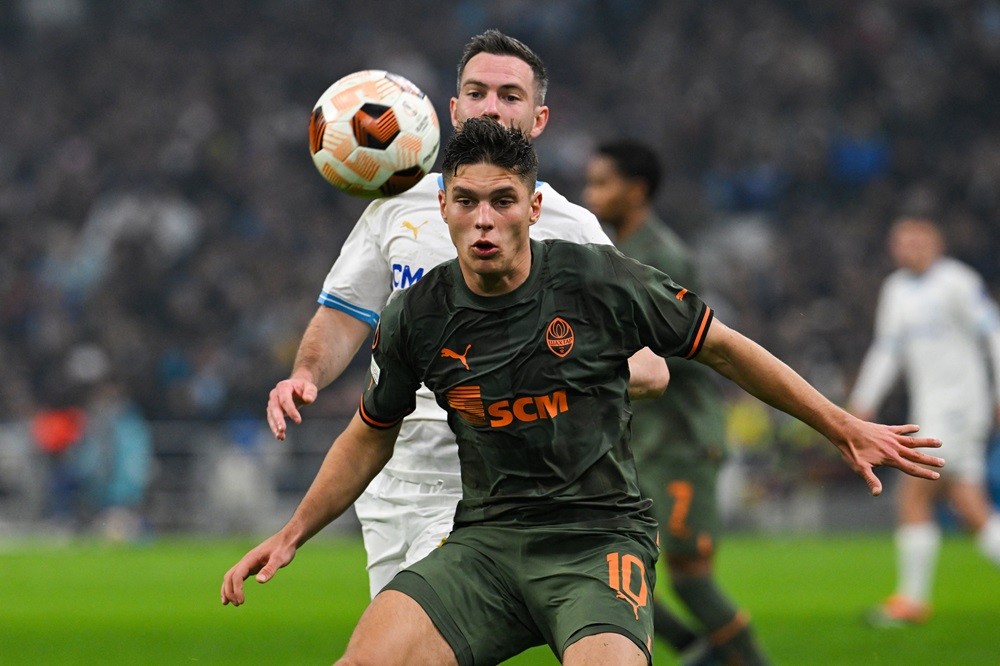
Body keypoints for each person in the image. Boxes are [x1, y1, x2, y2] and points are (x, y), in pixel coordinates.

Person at [223, 118, 944, 666]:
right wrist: (292, 534)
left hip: (596, 544)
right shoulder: (416, 314)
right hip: (486, 547)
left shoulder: (600, 281)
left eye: (502, 201)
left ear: (533, 208)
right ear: (442, 206)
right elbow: (369, 433)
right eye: (467, 200)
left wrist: (839, 422)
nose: (483, 220)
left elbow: (721, 345)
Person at [266, 29, 667, 600]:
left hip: (488, 483)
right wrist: (304, 375)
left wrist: (541, 374)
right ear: (452, 111)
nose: (491, 107)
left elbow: (649, 367)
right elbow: (344, 314)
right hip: (390, 480)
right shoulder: (400, 205)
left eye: (510, 95)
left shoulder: (571, 228)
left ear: (539, 119)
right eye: (477, 92)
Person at [583, 140, 768, 664]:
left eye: (601, 183)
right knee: (604, 561)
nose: (589, 194)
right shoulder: (613, 251)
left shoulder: (663, 255)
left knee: (689, 579)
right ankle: (698, 651)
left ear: (636, 190)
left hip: (681, 441)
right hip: (642, 442)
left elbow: (694, 349)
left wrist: (604, 356)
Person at [848, 216, 1000, 626]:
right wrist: (863, 400)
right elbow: (888, 349)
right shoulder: (896, 289)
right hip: (932, 408)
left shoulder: (957, 282)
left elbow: (995, 333)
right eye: (902, 241)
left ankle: (913, 603)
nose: (910, 248)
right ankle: (913, 601)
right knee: (972, 509)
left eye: (918, 240)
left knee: (913, 496)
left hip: (960, 407)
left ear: (937, 244)